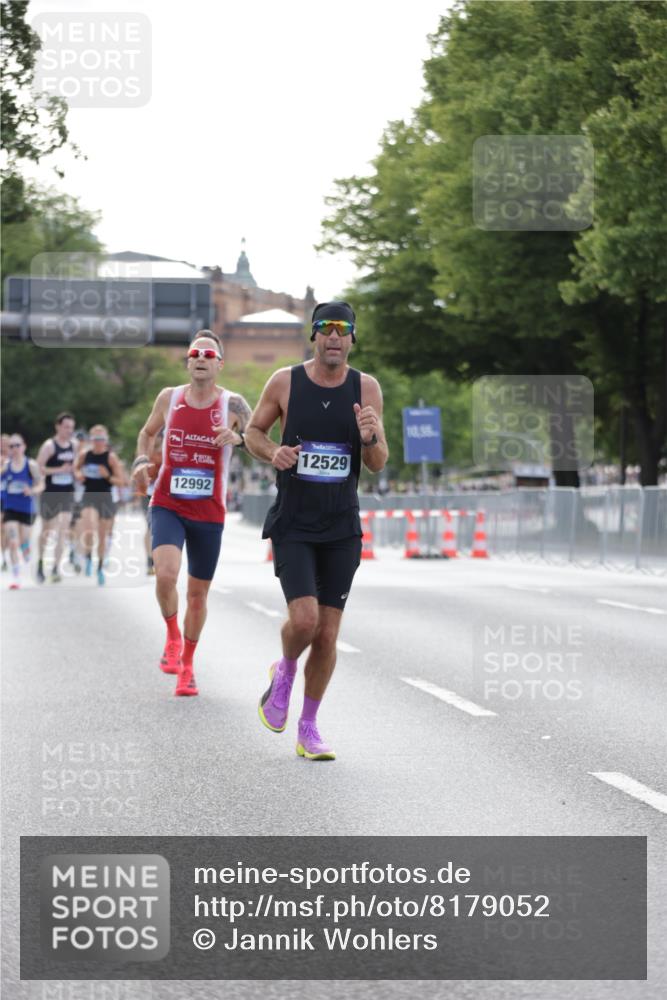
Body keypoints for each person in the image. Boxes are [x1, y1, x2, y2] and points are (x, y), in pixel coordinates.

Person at [245, 301, 388, 761]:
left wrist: (370, 437)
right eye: (325, 329)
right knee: (304, 621)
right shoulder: (285, 381)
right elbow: (253, 432)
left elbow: (378, 462)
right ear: (314, 335)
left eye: (342, 330)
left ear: (352, 339)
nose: (333, 337)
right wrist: (274, 454)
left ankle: (308, 728)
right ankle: (284, 670)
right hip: (295, 522)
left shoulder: (366, 388)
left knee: (327, 635)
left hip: (341, 525)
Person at [131, 330, 251, 696]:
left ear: (219, 364)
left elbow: (259, 438)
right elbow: (147, 433)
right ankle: (171, 637)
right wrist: (139, 461)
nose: (201, 358)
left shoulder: (234, 405)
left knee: (197, 595)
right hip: (167, 501)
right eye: (195, 352)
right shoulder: (169, 398)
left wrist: (240, 439)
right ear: (188, 360)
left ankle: (187, 664)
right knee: (166, 576)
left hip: (209, 512)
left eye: (208, 354)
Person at [74, 425, 124, 586]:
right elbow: (75, 469)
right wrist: (79, 474)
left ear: (106, 440)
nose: (99, 442)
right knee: (89, 529)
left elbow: (121, 481)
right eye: (96, 439)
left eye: (102, 439)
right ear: (91, 440)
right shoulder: (84, 455)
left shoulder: (111, 458)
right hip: (89, 495)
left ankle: (100, 568)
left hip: (105, 497)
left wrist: (107, 475)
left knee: (102, 536)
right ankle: (88, 557)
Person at [36, 412, 78, 583]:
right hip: (50, 493)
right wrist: (59, 470)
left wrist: (76, 471)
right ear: (58, 426)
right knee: (47, 531)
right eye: (66, 427)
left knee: (63, 528)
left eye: (71, 428)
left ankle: (55, 568)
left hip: (67, 492)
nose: (69, 430)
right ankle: (40, 563)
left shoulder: (74, 445)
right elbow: (38, 468)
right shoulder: (49, 446)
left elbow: (76, 466)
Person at [1, 434, 43, 589]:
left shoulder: (31, 465)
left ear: (24, 446)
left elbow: (41, 485)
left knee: (24, 541)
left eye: (17, 445)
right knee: (13, 542)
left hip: (27, 509)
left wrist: (31, 490)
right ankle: (16, 576)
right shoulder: (6, 466)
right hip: (10, 508)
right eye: (11, 446)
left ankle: (25, 549)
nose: (14, 449)